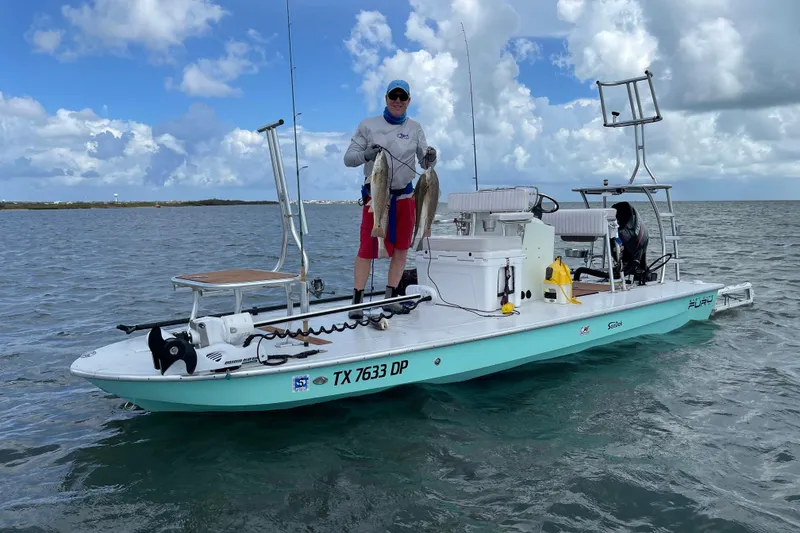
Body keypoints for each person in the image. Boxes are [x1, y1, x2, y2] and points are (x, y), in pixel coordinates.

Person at [343, 79, 437, 319]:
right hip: (376, 197)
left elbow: (425, 163)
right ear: (385, 98)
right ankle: (357, 302)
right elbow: (349, 158)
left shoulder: (415, 128)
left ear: (408, 101)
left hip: (405, 196)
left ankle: (390, 297)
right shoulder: (368, 125)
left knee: (402, 249)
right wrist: (366, 154)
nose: (397, 101)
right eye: (393, 96)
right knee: (366, 248)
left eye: (402, 97)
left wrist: (431, 157)